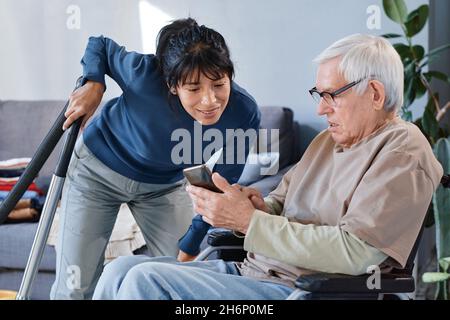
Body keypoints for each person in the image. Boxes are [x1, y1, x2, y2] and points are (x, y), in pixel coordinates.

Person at [92, 34, 443, 300]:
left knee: (144, 282)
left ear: (376, 94)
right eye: (318, 95)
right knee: (119, 270)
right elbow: (279, 202)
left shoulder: (403, 151)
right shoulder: (327, 142)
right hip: (254, 272)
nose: (321, 110)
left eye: (330, 95)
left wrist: (250, 222)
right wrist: (255, 207)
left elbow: (356, 255)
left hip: (300, 290)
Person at [51, 18, 260, 299]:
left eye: (219, 84)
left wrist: (190, 243)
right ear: (173, 85)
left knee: (184, 279)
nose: (210, 100)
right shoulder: (143, 76)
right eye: (194, 88)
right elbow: (98, 44)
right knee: (76, 286)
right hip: (95, 174)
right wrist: (94, 83)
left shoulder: (243, 113)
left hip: (163, 186)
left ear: (229, 76)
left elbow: (221, 185)